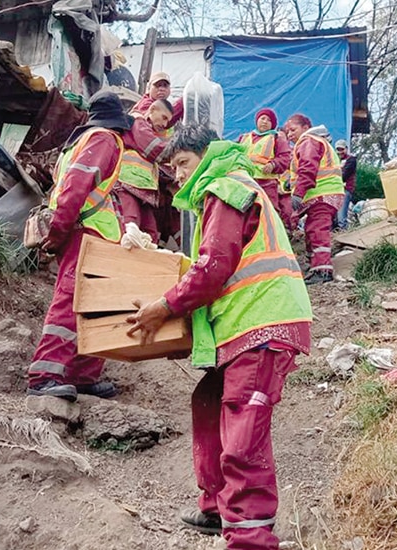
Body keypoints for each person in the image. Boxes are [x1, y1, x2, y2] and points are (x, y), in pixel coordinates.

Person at [126, 125, 312, 549]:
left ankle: (250, 537)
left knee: (243, 431)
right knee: (208, 404)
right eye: (172, 168)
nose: (177, 175)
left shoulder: (226, 188)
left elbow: (212, 268)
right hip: (245, 325)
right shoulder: (223, 191)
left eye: (183, 163)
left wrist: (166, 308)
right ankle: (216, 508)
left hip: (264, 323)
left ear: (207, 156)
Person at [26, 91, 135, 401]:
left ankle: (82, 375)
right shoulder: (104, 140)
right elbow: (76, 189)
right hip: (87, 235)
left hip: (84, 233)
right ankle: (44, 376)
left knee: (96, 304)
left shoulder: (78, 142)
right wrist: (59, 232)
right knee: (73, 302)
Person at [285, 114, 344, 285]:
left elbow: (308, 168)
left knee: (317, 229)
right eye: (287, 131)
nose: (289, 134)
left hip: (322, 193)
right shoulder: (317, 141)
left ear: (305, 127)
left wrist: (298, 193)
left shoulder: (308, 141)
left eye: (293, 129)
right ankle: (315, 266)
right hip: (325, 193)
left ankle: (322, 269)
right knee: (313, 229)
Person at [113, 99, 173, 243]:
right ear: (152, 110)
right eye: (164, 118)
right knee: (131, 224)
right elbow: (155, 149)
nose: (165, 125)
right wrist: (180, 148)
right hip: (127, 183)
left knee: (149, 232)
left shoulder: (148, 129)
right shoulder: (138, 122)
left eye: (168, 122)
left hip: (141, 188)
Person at [238, 108, 292, 234]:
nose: (265, 122)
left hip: (266, 184)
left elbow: (285, 158)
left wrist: (273, 165)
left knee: (268, 213)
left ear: (273, 124)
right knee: (245, 214)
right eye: (262, 118)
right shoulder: (244, 137)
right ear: (257, 120)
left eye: (269, 120)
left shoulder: (277, 139)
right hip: (245, 182)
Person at [334, 139, 358, 231]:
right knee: (335, 214)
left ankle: (344, 231)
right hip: (337, 189)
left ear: (346, 149)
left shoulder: (351, 160)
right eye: (338, 150)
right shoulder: (337, 161)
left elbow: (344, 175)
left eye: (342, 149)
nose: (340, 152)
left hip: (346, 189)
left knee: (341, 215)